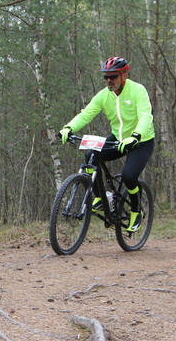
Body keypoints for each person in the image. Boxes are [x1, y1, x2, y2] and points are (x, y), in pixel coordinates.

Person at [58, 57, 155, 232]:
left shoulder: (137, 90)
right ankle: (101, 198)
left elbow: (145, 116)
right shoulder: (104, 95)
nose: (109, 81)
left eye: (113, 76)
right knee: (91, 155)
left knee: (129, 176)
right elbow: (86, 114)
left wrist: (135, 136)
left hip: (141, 141)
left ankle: (136, 211)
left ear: (124, 74)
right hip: (118, 138)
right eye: (106, 77)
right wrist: (68, 127)